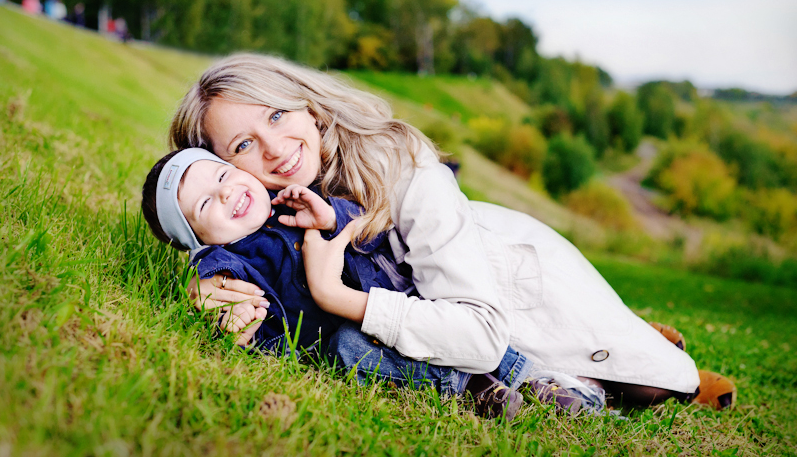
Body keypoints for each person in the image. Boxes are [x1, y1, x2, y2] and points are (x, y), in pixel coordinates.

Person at [168, 53, 737, 410]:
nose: (273, 149)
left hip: (514, 286)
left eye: (276, 115)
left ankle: (644, 337)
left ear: (310, 110)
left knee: (648, 387)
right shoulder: (262, 205)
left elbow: (481, 338)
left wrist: (333, 295)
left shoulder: (402, 167)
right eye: (242, 144)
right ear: (222, 164)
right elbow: (197, 211)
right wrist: (206, 284)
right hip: (441, 306)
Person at [141, 147, 535, 420]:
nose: (225, 192)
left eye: (223, 175)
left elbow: (372, 231)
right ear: (197, 240)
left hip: (392, 300)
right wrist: (219, 298)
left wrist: (332, 217)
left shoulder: (295, 196)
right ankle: (470, 384)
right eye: (205, 204)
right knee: (349, 350)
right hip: (348, 337)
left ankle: (529, 377)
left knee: (439, 316)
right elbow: (219, 288)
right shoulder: (228, 261)